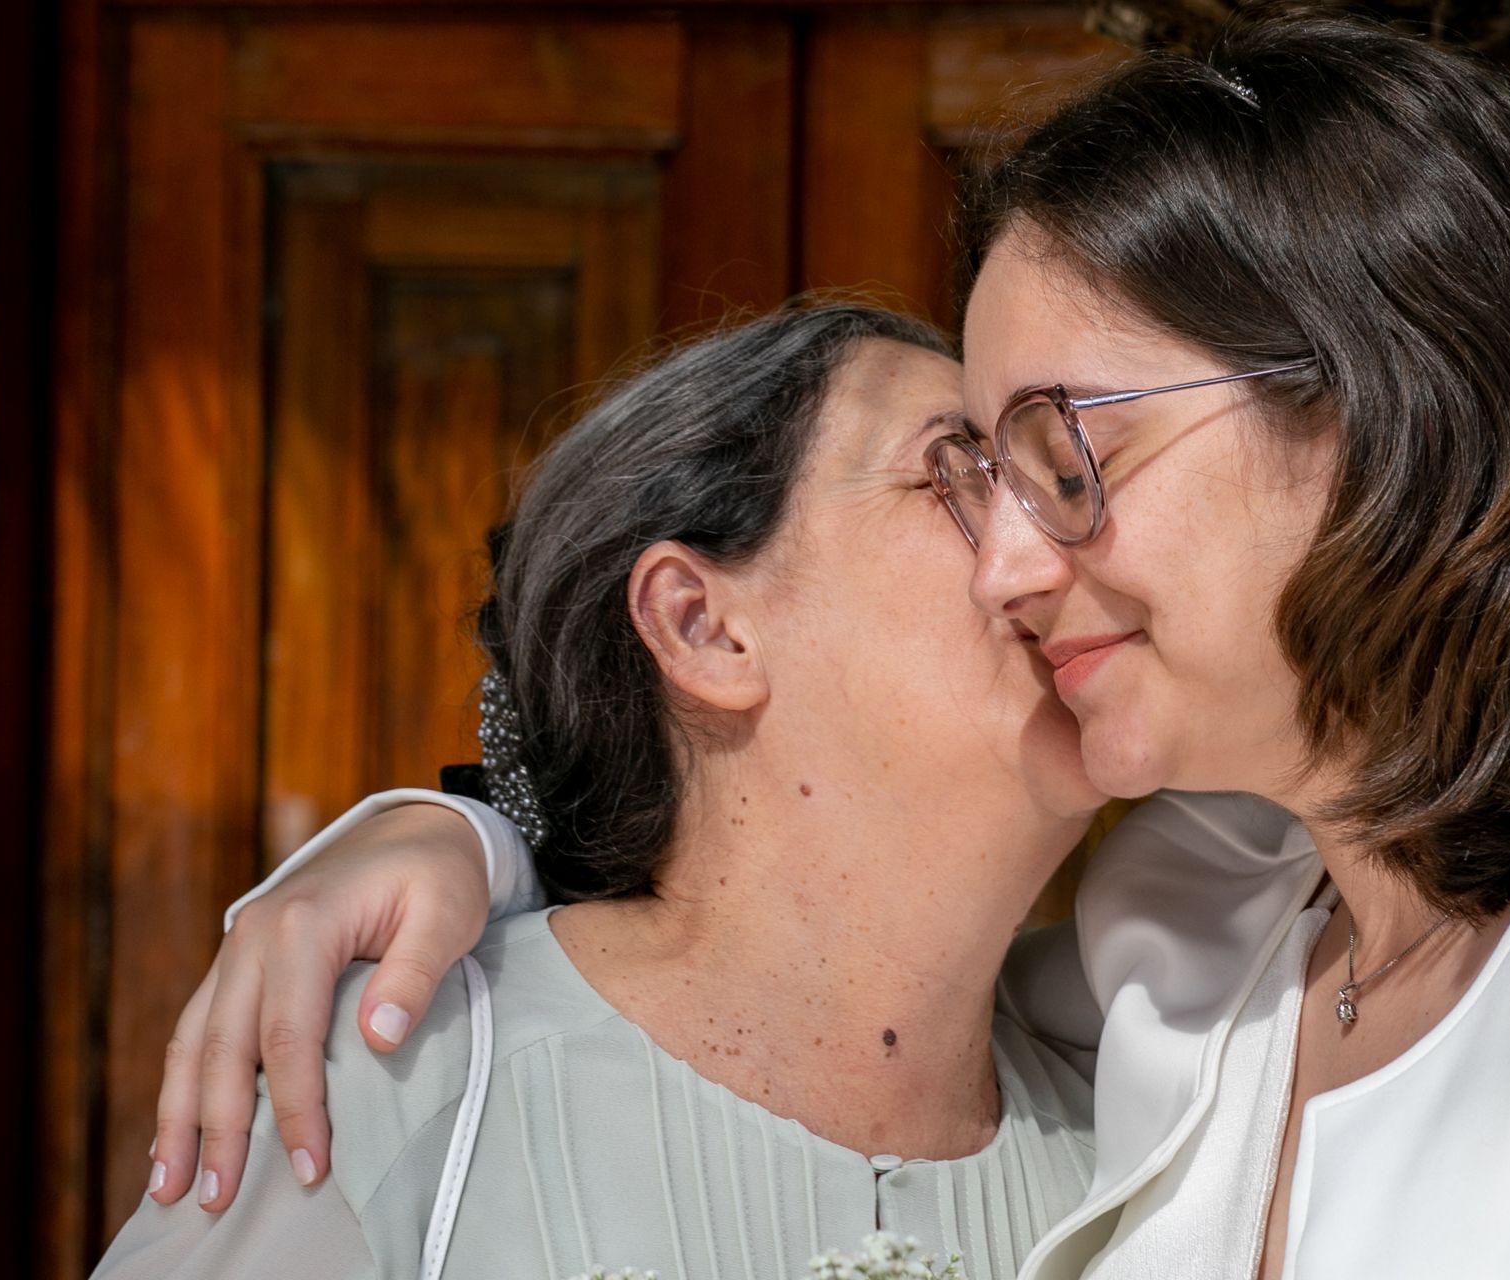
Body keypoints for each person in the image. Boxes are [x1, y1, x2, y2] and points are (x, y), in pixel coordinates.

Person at [143, 14, 1510, 1280]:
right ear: (700, 624)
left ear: (1369, 389)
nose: (1015, 555)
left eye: (1058, 454)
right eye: (963, 473)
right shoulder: (1208, 957)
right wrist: (461, 832)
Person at [93, 301, 1114, 1280]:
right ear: (703, 626)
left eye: (1052, 476)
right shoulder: (398, 1083)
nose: (1054, 541)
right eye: (963, 471)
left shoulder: (1153, 1137)